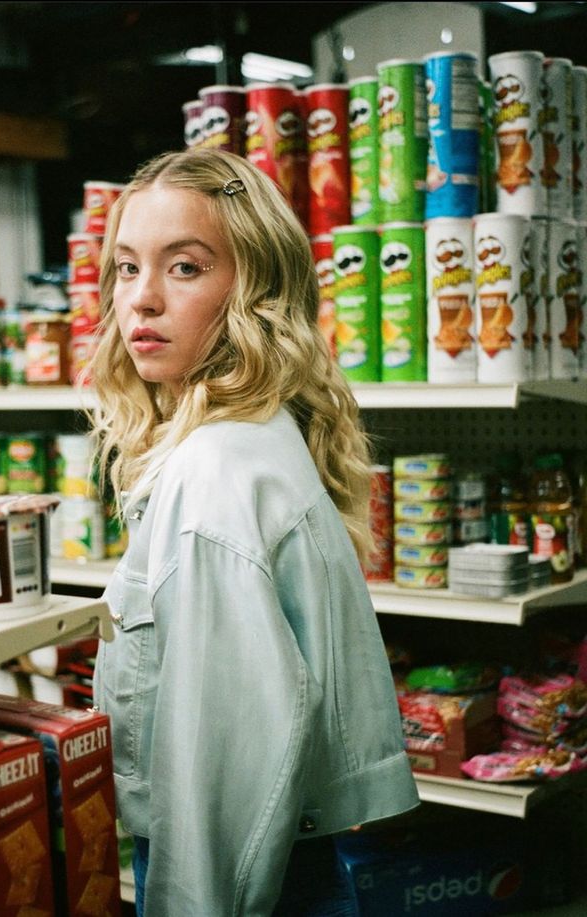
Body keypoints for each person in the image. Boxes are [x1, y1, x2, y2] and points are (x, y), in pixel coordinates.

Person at [90, 147, 419, 916]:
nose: (139, 300)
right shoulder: (255, 435)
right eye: (127, 266)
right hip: (291, 865)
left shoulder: (214, 474)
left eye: (185, 266)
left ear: (256, 286)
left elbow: (220, 788)